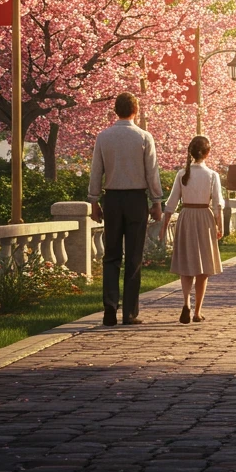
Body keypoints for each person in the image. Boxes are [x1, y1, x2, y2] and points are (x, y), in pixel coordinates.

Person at [88, 91, 163, 327]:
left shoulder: (103, 137)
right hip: (136, 200)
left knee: (111, 255)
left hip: (112, 199)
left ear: (115, 111)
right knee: (133, 257)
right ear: (136, 111)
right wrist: (156, 201)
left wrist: (93, 201)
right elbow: (152, 172)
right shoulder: (144, 137)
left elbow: (96, 170)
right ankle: (129, 313)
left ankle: (109, 309)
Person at [161, 135, 224, 323]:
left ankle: (186, 302)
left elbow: (171, 203)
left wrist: (164, 227)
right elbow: (217, 204)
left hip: (186, 216)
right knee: (203, 267)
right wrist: (220, 226)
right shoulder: (212, 175)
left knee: (187, 264)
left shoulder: (182, 174)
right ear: (207, 153)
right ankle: (197, 311)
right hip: (204, 218)